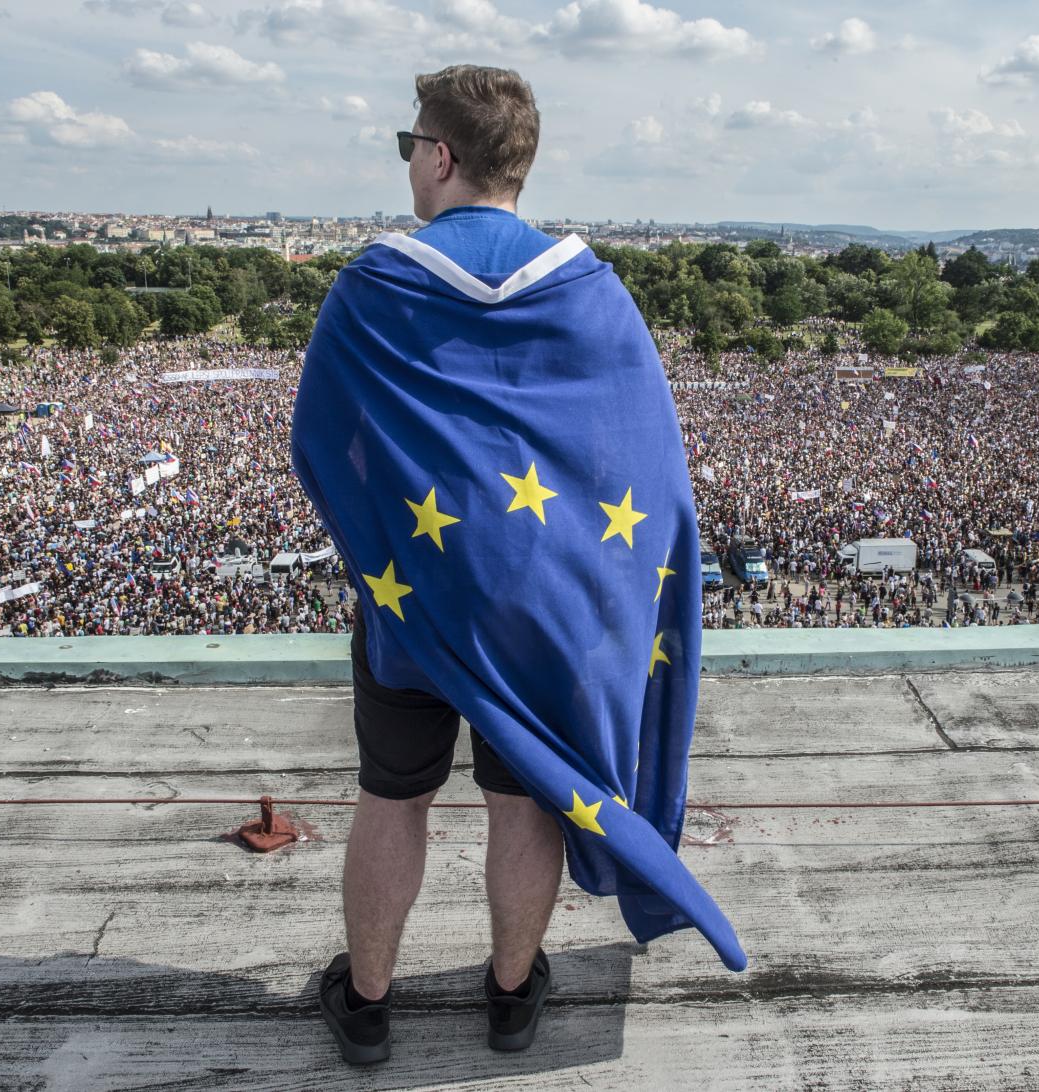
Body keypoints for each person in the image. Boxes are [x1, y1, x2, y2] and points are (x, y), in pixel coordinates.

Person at [292, 65, 743, 1068]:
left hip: (411, 606)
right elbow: (642, 465)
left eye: (409, 144)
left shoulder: (375, 283)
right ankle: (508, 995)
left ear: (442, 155)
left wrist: (386, 555)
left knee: (392, 795)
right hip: (544, 613)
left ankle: (366, 1003)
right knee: (523, 797)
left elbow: (319, 443)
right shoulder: (592, 290)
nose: (408, 162)